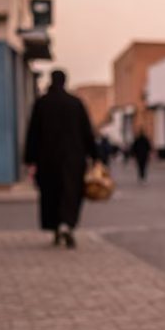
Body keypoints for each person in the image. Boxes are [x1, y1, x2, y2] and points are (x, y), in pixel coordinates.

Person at [24, 70, 97, 249]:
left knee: (51, 194)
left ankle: (56, 227)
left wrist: (29, 158)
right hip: (73, 159)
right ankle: (67, 224)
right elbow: (87, 132)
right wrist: (95, 155)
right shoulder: (75, 104)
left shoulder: (42, 104)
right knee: (70, 193)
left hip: (47, 159)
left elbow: (33, 133)